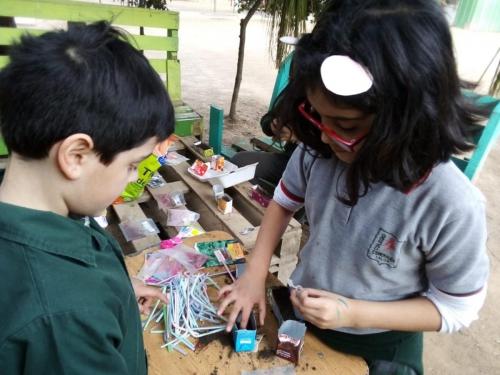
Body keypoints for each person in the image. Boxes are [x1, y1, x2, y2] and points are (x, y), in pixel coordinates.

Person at [217, 1, 490, 374]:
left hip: (382, 348)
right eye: (316, 116)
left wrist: (354, 313)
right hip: (305, 321)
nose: (325, 138)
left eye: (345, 126)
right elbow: (284, 201)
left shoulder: (451, 203)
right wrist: (255, 270)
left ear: (409, 115)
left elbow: (456, 307)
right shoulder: (319, 150)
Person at [0, 22, 172, 374]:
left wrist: (118, 290)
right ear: (76, 155)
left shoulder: (33, 208)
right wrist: (90, 302)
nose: (134, 177)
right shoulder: (63, 322)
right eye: (132, 165)